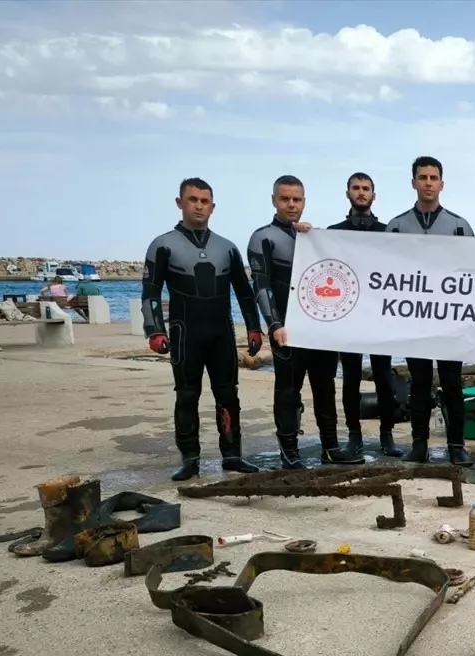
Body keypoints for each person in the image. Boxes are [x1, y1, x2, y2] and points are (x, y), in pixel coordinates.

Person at [141, 177, 265, 481]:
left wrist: (254, 328)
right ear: (180, 203)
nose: (199, 205)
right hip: (185, 336)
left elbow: (244, 292)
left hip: (220, 335)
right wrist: (155, 331)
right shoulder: (163, 245)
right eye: (193, 199)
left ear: (212, 206)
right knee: (186, 396)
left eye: (204, 201)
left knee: (228, 396)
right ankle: (190, 458)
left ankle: (233, 455)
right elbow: (150, 292)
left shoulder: (227, 248)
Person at [247, 175, 361, 469]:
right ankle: (289, 452)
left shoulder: (311, 236)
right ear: (274, 200)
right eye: (285, 199)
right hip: (286, 329)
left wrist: (314, 236)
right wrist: (273, 324)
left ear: (304, 202)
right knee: (288, 390)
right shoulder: (263, 238)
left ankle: (330, 447)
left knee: (325, 387)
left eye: (297, 199)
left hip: (318, 330)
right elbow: (261, 285)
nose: (291, 205)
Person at [386, 156, 474, 466]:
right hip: (414, 321)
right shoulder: (396, 226)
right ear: (413, 182)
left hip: (449, 321)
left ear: (441, 184)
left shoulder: (460, 226)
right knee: (419, 384)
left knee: (452, 384)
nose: (428, 182)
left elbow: (474, 275)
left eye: (433, 177)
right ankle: (419, 444)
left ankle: (456, 445)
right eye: (422, 177)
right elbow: (383, 272)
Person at [327, 172, 404, 458]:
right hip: (348, 317)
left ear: (374, 194)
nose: (361, 192)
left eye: (366, 188)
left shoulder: (388, 232)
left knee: (384, 378)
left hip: (379, 317)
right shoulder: (333, 232)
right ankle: (354, 436)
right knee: (350, 379)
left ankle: (387, 435)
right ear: (347, 192)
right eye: (356, 188)